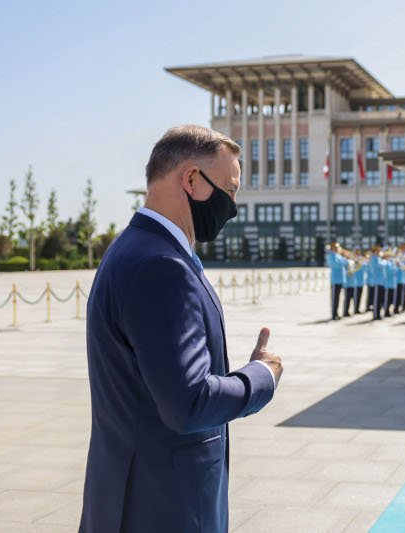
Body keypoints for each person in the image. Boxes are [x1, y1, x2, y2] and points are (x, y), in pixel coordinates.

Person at [79, 125, 283, 532]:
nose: (233, 204)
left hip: (137, 495)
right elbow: (189, 402)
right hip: (162, 506)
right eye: (229, 189)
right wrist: (261, 377)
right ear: (191, 179)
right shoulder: (161, 266)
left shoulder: (136, 248)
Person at [326, 242, 348, 320]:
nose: (337, 248)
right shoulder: (331, 255)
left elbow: (346, 263)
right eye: (336, 247)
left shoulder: (338, 255)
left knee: (339, 298)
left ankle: (337, 313)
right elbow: (335, 264)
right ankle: (334, 314)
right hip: (335, 280)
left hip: (341, 279)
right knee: (335, 298)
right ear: (332, 248)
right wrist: (343, 262)